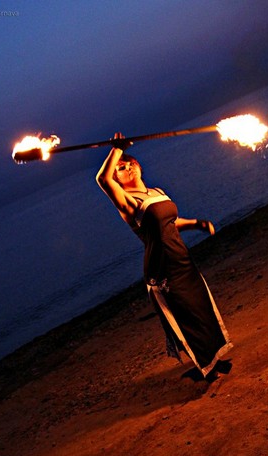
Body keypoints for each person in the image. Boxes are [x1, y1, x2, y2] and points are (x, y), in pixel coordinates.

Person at [96, 132, 232, 380]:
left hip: (181, 259)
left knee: (201, 307)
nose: (128, 168)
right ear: (117, 178)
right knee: (184, 318)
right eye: (121, 169)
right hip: (161, 268)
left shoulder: (156, 192)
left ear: (139, 166)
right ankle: (205, 367)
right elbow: (102, 179)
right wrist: (117, 149)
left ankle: (213, 358)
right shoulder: (128, 202)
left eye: (130, 163)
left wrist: (196, 223)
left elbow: (170, 222)